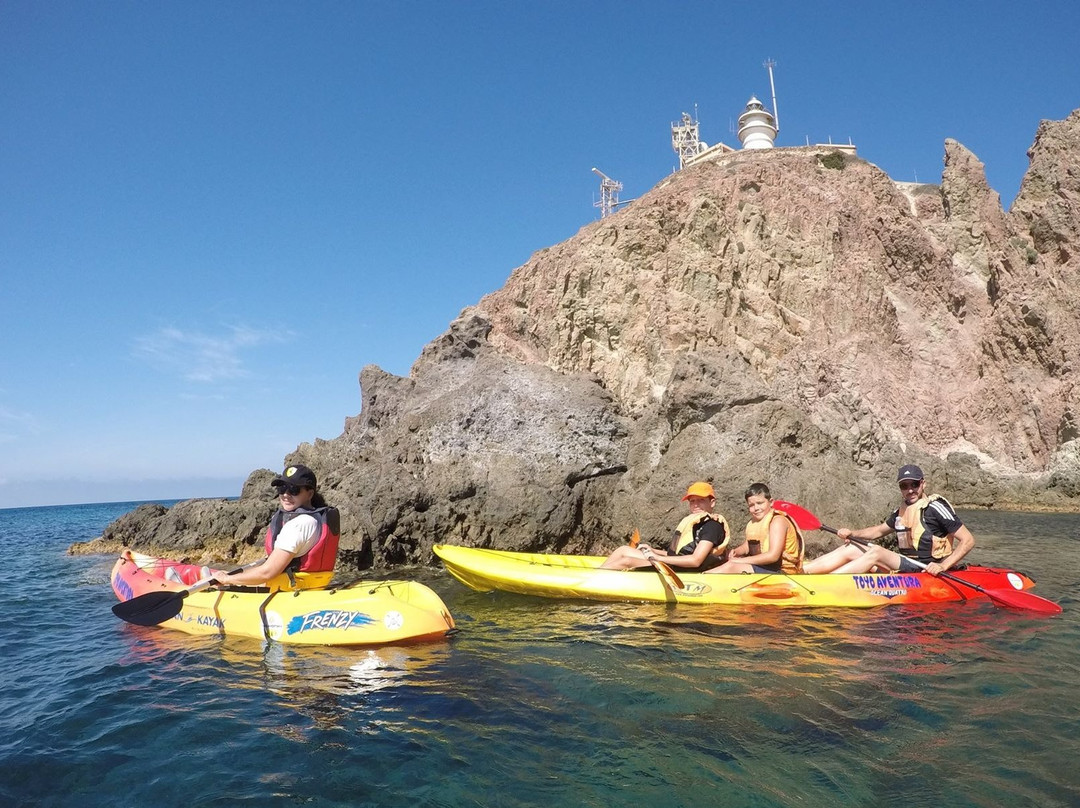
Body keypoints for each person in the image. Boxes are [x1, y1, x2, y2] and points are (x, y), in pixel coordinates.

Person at [802, 464, 975, 576]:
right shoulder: (901, 510)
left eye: (914, 484)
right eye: (904, 486)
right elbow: (877, 531)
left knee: (876, 552)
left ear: (923, 484)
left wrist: (943, 566)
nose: (910, 490)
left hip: (925, 569)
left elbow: (968, 540)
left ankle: (827, 584)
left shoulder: (935, 508)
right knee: (853, 546)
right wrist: (853, 533)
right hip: (907, 566)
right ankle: (802, 572)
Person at [210, 464, 340, 589]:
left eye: (294, 490)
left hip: (290, 589)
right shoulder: (315, 519)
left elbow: (267, 573)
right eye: (282, 488)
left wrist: (227, 579)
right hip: (316, 584)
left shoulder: (298, 525)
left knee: (216, 579)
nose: (285, 495)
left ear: (310, 494)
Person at [599, 481, 731, 572]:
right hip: (674, 564)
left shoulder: (712, 527)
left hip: (685, 570)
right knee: (623, 550)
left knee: (627, 561)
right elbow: (677, 554)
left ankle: (591, 580)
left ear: (712, 502)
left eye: (701, 500)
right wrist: (654, 551)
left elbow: (695, 560)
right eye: (692, 501)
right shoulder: (694, 523)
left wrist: (658, 558)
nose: (696, 505)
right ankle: (597, 575)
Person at [707, 482, 804, 574]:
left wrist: (739, 561)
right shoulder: (753, 523)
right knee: (724, 563)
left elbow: (773, 556)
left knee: (731, 567)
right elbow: (748, 546)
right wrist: (736, 552)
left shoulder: (778, 521)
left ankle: (702, 580)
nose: (756, 508)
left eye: (760, 503)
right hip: (765, 568)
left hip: (783, 571)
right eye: (751, 505)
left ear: (770, 502)